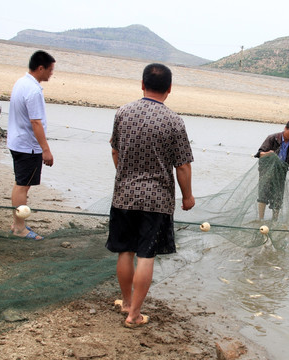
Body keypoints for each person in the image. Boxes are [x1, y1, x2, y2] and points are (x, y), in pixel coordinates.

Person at [106, 63, 195, 328]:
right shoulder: (174, 121)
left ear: (142, 85)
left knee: (125, 250)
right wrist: (187, 197)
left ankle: (125, 302)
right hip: (156, 200)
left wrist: (126, 177)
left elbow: (114, 151)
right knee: (146, 255)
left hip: (124, 195)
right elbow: (182, 165)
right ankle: (134, 314)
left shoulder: (123, 113)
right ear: (169, 89)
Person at [7, 50, 56, 240]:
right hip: (27, 145)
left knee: (21, 184)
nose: (51, 73)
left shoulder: (22, 82)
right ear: (41, 68)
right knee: (22, 186)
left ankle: (17, 223)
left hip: (17, 141)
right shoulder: (33, 90)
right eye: (50, 69)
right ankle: (19, 227)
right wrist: (46, 150)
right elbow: (36, 122)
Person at [255, 120, 289, 221]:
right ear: (285, 128)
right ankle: (260, 220)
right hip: (266, 171)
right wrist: (268, 153)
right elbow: (260, 154)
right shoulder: (272, 138)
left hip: (280, 174)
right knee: (263, 194)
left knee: (278, 197)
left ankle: (275, 220)